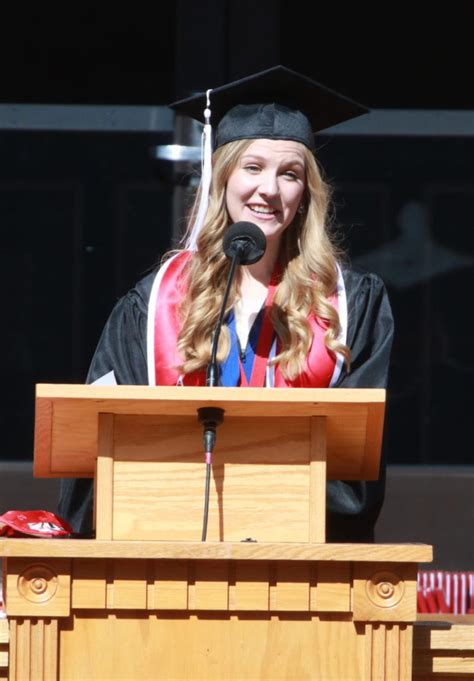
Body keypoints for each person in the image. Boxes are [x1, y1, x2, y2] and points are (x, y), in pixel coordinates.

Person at [58, 66, 394, 541]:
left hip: (300, 559)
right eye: (252, 167)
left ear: (306, 194)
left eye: (290, 174)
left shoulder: (350, 305)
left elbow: (359, 466)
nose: (270, 190)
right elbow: (99, 449)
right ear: (221, 177)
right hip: (165, 552)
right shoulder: (152, 305)